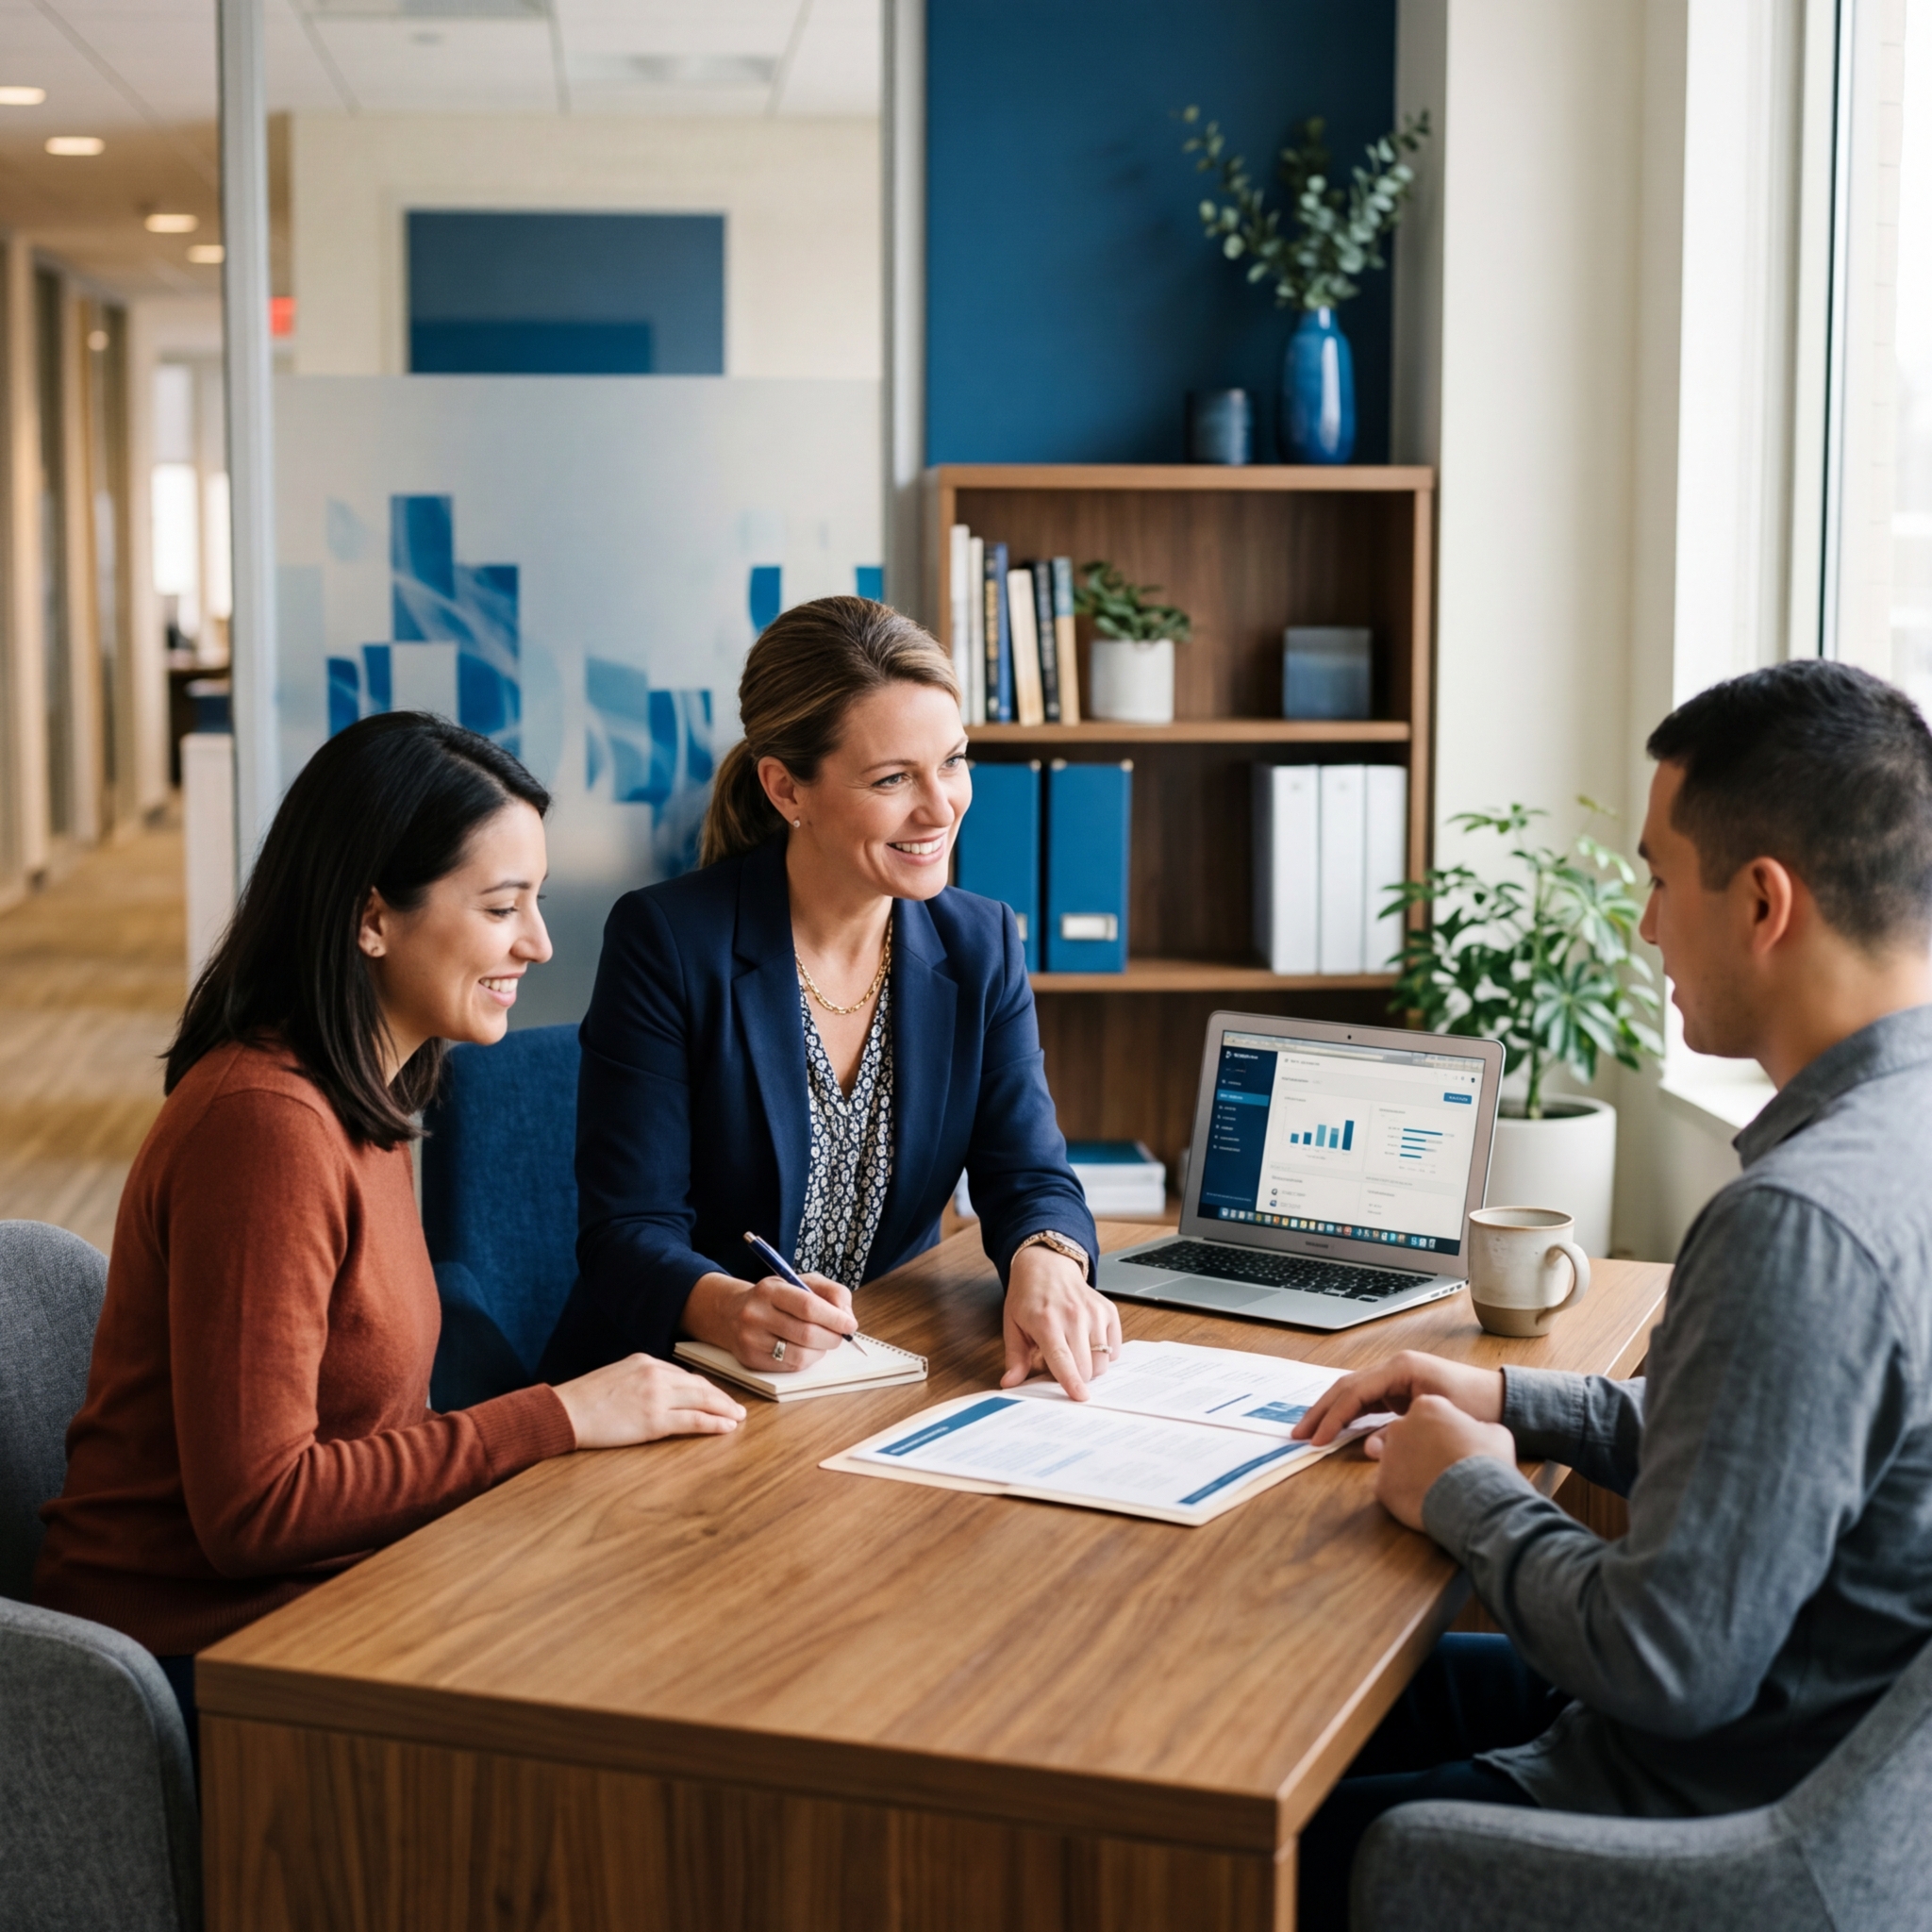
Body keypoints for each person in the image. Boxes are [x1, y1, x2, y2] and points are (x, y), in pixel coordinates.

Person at [1289, 659, 1932, 1928]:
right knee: (1276, 1700)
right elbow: (1778, 1463)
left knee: (1223, 1834)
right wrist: (1514, 1403)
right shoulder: (1899, 1145)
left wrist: (1461, 1486)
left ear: (1761, 901)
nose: (1643, 929)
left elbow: (1668, 1660)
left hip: (1698, 1815)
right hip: (1814, 1769)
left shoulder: (1799, 1225)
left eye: (1654, 876)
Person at [34, 713, 743, 1749]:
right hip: (195, 1670)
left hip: (325, 1605)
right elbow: (258, 1510)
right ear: (373, 917)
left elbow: (368, 1427)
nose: (538, 943)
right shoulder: (265, 1125)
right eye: (503, 905)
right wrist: (553, 1416)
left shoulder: (369, 1086)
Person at [542, 596, 1112, 1395]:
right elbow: (626, 1231)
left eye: (952, 761)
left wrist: (1047, 1258)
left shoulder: (982, 943)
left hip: (876, 1374)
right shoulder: (668, 941)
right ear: (786, 790)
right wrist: (726, 1306)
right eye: (892, 778)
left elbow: (1032, 1176)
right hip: (674, 1383)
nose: (941, 806)